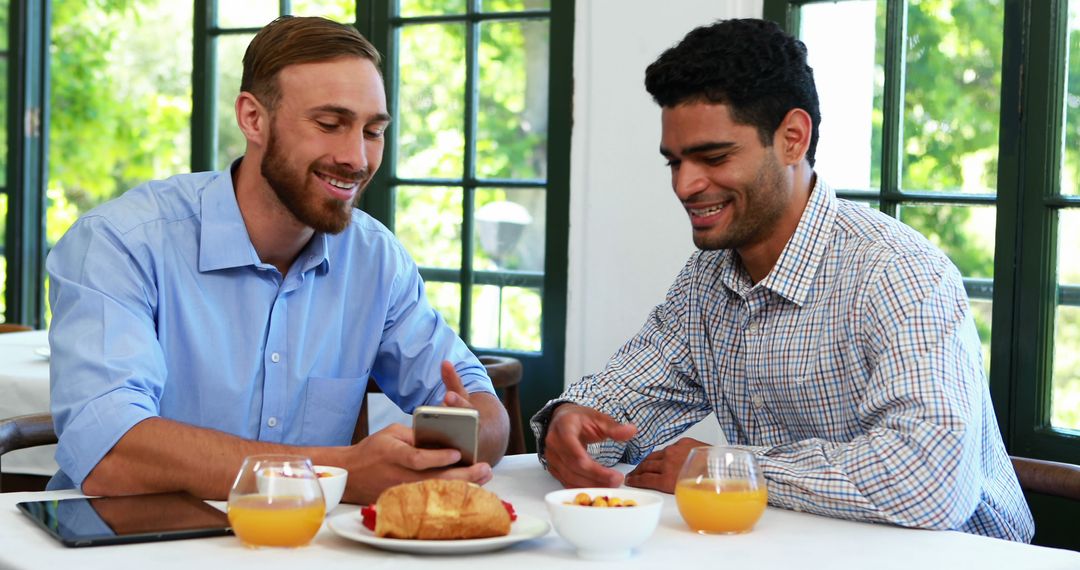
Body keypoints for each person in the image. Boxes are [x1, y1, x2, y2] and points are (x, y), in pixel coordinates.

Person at [531, 18, 1033, 542]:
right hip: (797, 548)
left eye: (714, 156)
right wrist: (569, 423)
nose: (685, 185)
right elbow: (617, 413)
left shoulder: (899, 273)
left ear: (793, 138)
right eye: (675, 162)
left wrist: (728, 469)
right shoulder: (708, 277)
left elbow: (930, 481)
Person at [46, 16, 509, 505]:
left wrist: (463, 432)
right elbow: (112, 454)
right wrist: (340, 472)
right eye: (330, 124)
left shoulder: (375, 259)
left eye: (373, 131)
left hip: (308, 547)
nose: (357, 157)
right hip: (133, 546)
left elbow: (485, 411)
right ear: (253, 119)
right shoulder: (120, 243)